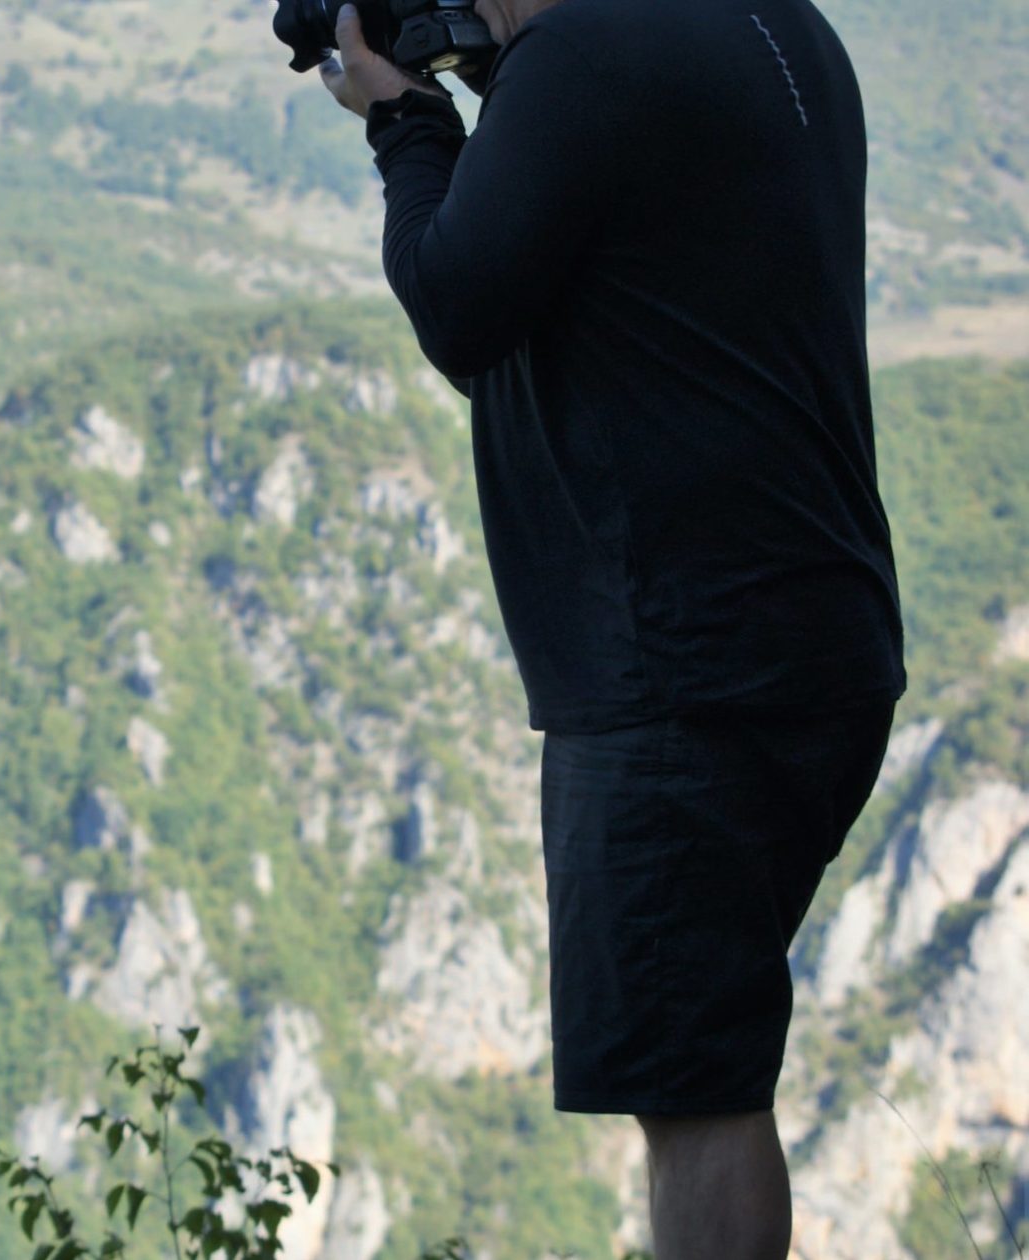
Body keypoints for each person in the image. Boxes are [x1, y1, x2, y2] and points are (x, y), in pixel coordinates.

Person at [319, 0, 907, 1254]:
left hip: (675, 673)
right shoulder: (772, 25)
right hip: (817, 641)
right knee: (712, 1055)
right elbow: (603, 212)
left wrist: (405, 121)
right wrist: (483, 78)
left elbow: (460, 304)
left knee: (695, 1098)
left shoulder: (582, 60)